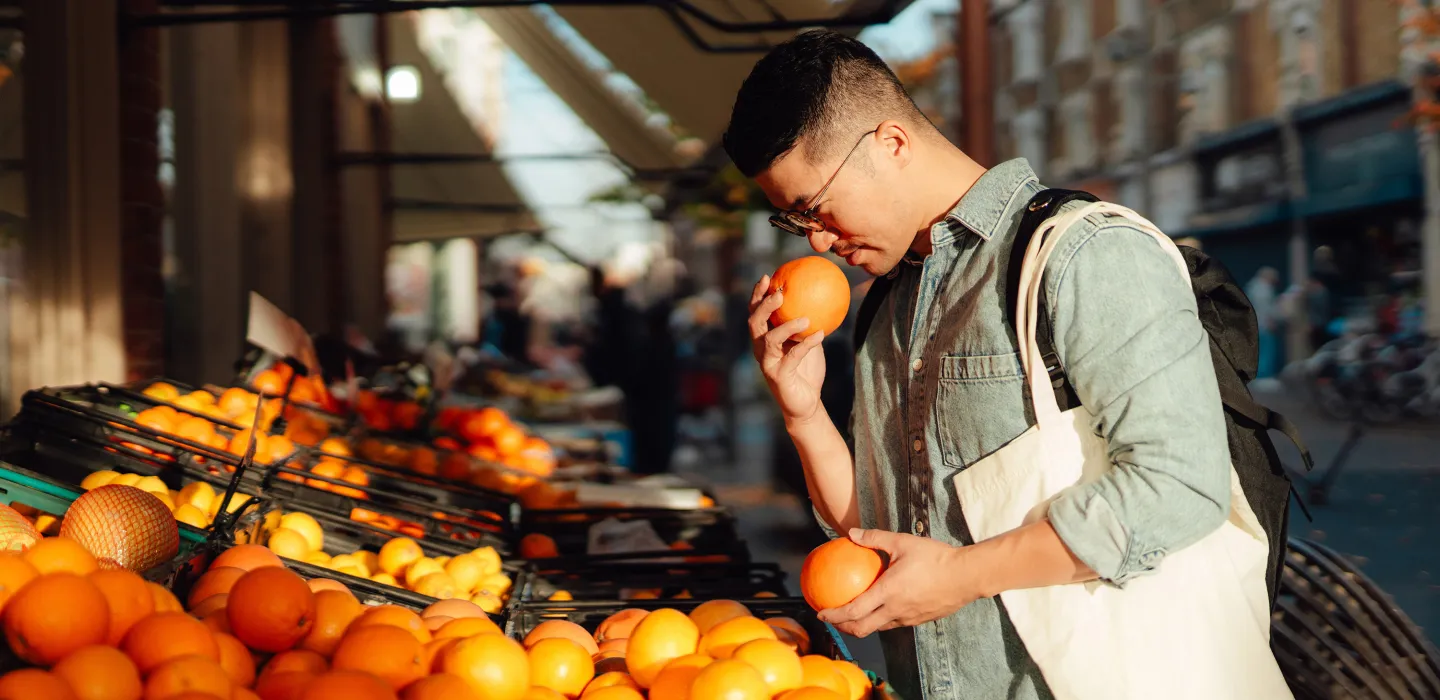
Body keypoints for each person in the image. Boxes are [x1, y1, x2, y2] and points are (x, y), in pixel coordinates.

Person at [725, 30, 1277, 699]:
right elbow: (877, 533)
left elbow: (1180, 486)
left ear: (890, 144)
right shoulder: (889, 303)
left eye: (813, 206)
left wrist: (962, 575)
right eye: (794, 222)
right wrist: (802, 410)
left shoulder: (1084, 254)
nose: (815, 238)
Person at [1245, 266, 1282, 378]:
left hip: (1255, 325)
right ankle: (1264, 377)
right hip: (1264, 326)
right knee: (1266, 352)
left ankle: (1259, 376)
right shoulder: (1264, 290)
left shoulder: (1252, 287)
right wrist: (1271, 321)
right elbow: (1266, 309)